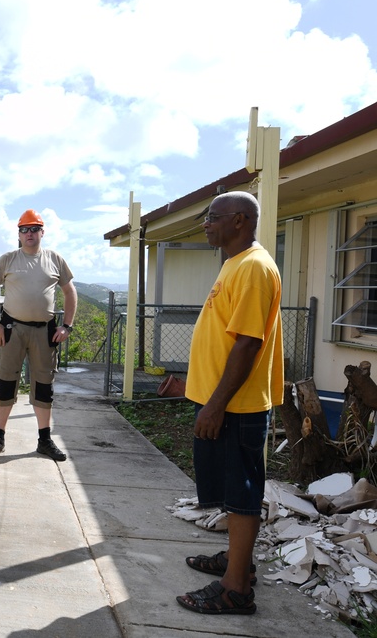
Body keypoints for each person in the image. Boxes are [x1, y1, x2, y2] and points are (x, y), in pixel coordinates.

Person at [175, 191, 283, 616]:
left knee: (241, 495)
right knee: (228, 491)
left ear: (239, 220)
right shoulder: (235, 263)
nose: (206, 224)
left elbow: (247, 343)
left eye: (213, 217)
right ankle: (238, 562)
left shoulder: (254, 267)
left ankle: (236, 588)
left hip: (235, 407)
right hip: (223, 403)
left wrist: (216, 405)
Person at [0, 209, 77, 462]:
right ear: (19, 234)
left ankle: (44, 440)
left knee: (44, 386)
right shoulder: (8, 260)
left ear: (42, 232)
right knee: (5, 383)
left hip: (44, 332)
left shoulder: (55, 259)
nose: (29, 233)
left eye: (34, 229)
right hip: (13, 330)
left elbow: (70, 292)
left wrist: (66, 326)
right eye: (24, 229)